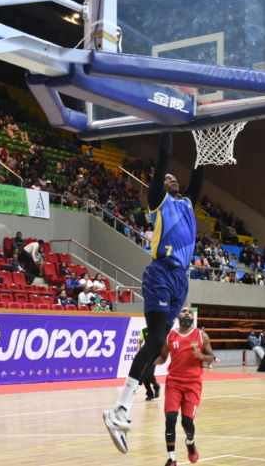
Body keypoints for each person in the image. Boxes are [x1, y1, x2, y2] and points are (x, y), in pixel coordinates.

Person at [104, 133, 205, 454]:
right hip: (161, 272)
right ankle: (120, 409)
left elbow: (200, 171)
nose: (173, 179)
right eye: (168, 178)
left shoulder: (188, 203)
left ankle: (118, 411)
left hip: (181, 281)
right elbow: (163, 159)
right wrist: (168, 126)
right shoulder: (158, 201)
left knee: (158, 342)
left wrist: (203, 136)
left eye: (177, 178)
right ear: (162, 185)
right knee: (158, 340)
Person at [153, 307, 214, 466]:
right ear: (178, 316)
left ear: (192, 317)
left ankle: (190, 442)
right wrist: (149, 361)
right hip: (174, 381)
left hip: (193, 383)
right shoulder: (171, 336)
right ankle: (171, 459)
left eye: (189, 312)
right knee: (170, 418)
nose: (186, 313)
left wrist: (201, 356)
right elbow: (163, 357)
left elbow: (211, 357)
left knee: (187, 422)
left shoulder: (201, 336)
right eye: (183, 311)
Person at [138, 326, 161, 401]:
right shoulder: (144, 330)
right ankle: (150, 393)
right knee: (144, 375)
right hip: (145, 355)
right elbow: (139, 342)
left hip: (154, 356)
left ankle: (156, 386)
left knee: (149, 374)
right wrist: (139, 352)